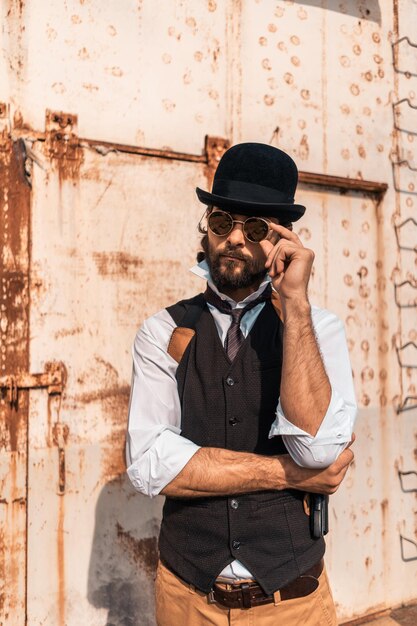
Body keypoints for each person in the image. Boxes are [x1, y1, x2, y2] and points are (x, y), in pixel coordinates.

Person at [126, 143, 357, 625]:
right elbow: (150, 464)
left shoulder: (320, 329)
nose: (235, 238)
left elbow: (315, 450)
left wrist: (295, 304)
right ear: (205, 229)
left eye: (255, 228)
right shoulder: (162, 331)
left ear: (282, 243)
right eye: (221, 222)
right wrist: (288, 475)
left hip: (291, 605)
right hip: (187, 597)